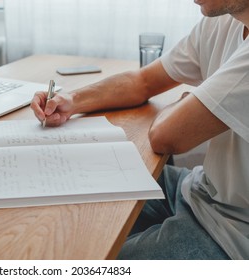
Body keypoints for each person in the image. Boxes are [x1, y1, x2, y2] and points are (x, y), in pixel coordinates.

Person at [30, 0, 249, 260]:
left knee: (90, 261)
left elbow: (165, 137)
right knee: (71, 200)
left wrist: (180, 106)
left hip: (232, 233)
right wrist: (73, 101)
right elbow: (143, 81)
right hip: (201, 189)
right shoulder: (221, 22)